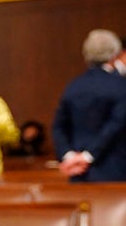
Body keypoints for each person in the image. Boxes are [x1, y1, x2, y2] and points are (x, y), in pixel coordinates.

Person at [52, 29, 126, 182]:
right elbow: (116, 126)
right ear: (115, 54)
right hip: (114, 172)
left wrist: (69, 155)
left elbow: (58, 126)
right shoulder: (121, 86)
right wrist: (88, 156)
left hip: (78, 173)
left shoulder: (73, 86)